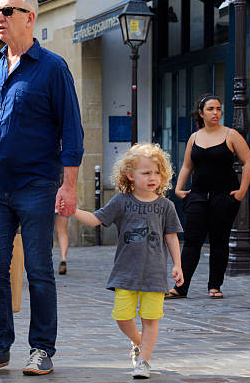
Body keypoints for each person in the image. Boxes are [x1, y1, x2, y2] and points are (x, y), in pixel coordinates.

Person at [0, 0, 83, 376]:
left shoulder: (53, 67)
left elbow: (73, 130)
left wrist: (68, 187)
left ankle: (42, 349)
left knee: (38, 268)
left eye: (7, 11)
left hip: (37, 185)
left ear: (30, 17)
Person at [70, 143, 184, 379]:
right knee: (122, 317)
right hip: (125, 273)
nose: (153, 177)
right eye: (146, 172)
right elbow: (94, 220)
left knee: (150, 319)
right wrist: (72, 210)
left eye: (156, 172)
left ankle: (143, 361)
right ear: (131, 175)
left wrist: (177, 264)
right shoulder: (121, 202)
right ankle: (138, 342)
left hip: (154, 274)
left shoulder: (166, 206)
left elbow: (171, 237)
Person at [165, 94, 250, 300]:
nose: (216, 113)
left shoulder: (231, 135)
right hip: (197, 196)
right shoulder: (194, 137)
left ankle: (215, 286)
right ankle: (181, 287)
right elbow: (188, 164)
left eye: (218, 109)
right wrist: (178, 189)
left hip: (224, 196)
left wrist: (241, 191)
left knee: (219, 241)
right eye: (211, 109)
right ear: (201, 113)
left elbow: (248, 161)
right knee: (192, 241)